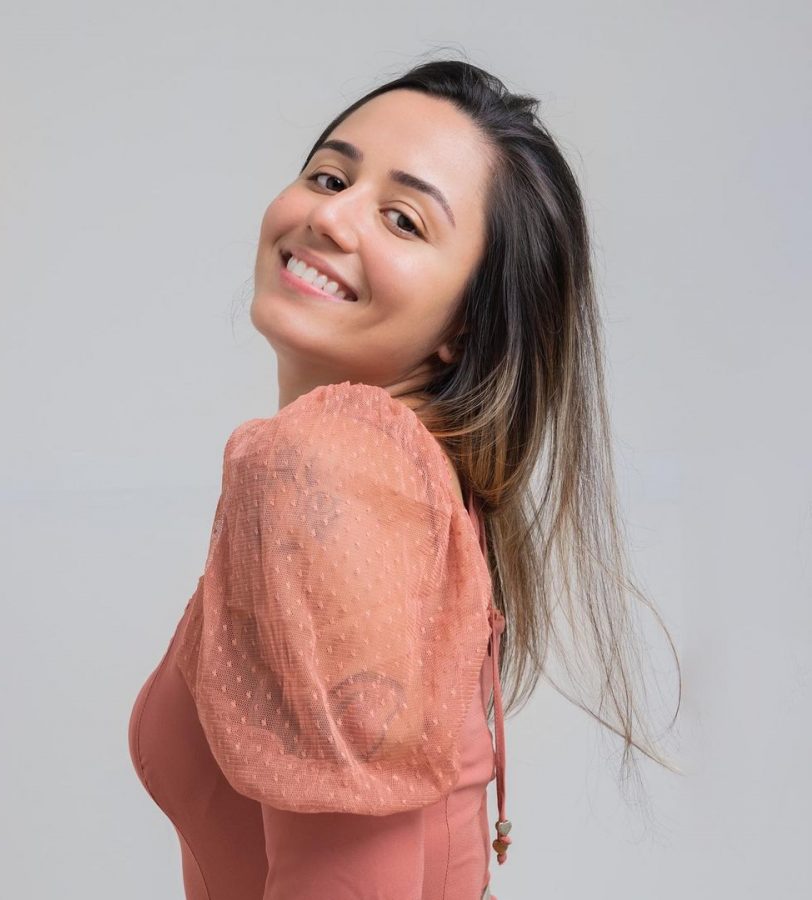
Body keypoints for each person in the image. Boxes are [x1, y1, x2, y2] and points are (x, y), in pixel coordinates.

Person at [128, 56, 682, 900]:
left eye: (403, 220)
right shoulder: (410, 478)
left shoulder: (329, 464)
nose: (331, 216)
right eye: (328, 177)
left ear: (466, 324)